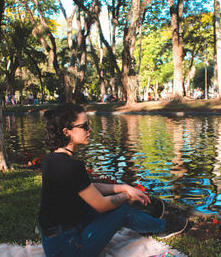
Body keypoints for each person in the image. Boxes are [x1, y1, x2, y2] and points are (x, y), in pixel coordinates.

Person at [39, 103, 188, 257]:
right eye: (84, 126)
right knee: (122, 210)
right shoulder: (71, 166)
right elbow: (102, 206)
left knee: (106, 204)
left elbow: (88, 186)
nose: (90, 130)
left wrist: (123, 187)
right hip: (70, 248)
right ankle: (163, 226)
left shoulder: (52, 159)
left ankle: (147, 218)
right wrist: (126, 197)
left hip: (55, 241)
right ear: (66, 132)